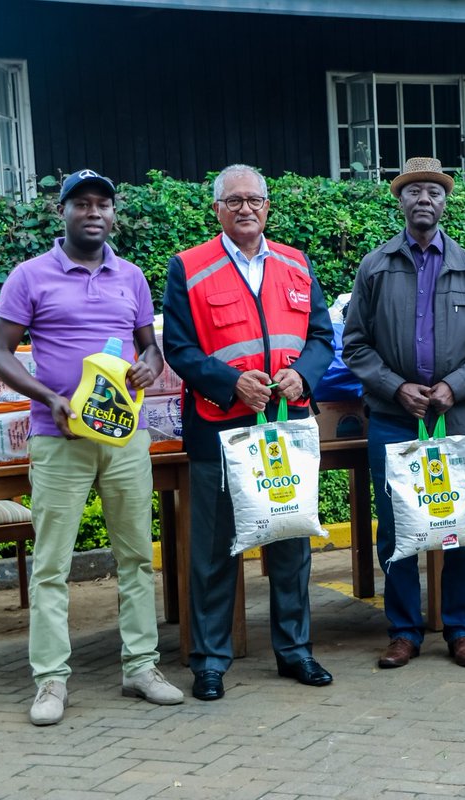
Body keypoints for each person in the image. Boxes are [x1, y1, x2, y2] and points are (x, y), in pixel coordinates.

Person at [0, 169, 184, 726]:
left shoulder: (132, 277)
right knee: (51, 564)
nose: (93, 212)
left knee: (136, 558)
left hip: (125, 437)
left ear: (113, 214)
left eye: (103, 204)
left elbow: (150, 349)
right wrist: (50, 398)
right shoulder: (31, 276)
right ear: (62, 212)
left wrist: (149, 366)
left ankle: (140, 667)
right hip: (61, 437)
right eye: (82, 204)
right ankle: (51, 681)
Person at [162, 164, 334, 701]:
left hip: (286, 428)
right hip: (221, 429)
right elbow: (180, 349)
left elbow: (324, 338)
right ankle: (209, 662)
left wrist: (302, 373)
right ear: (217, 210)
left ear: (267, 206)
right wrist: (232, 383)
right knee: (213, 551)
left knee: (290, 542)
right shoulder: (188, 267)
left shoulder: (297, 264)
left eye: (254, 200)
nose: (245, 208)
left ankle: (295, 651)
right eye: (232, 200)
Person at [343, 156, 465, 669]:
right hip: (394, 420)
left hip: (455, 421)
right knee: (396, 530)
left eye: (433, 192)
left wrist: (453, 387)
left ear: (444, 201)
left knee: (460, 527)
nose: (424, 200)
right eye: (414, 191)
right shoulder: (375, 266)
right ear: (400, 200)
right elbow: (355, 345)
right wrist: (396, 389)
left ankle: (461, 629)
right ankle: (403, 631)